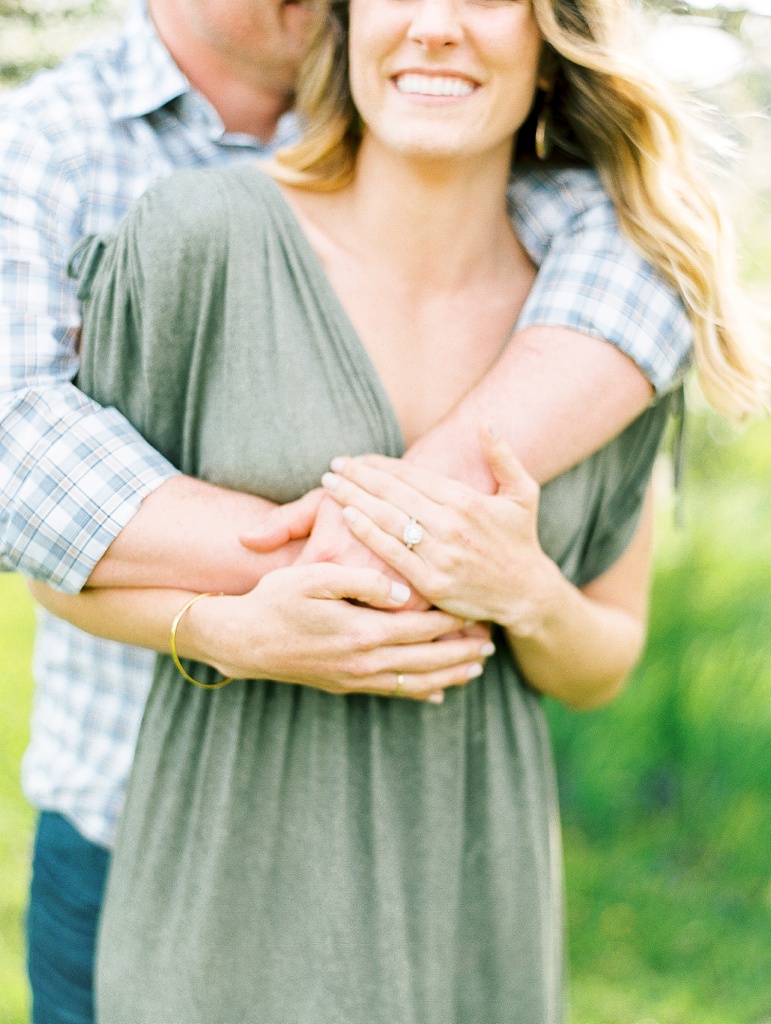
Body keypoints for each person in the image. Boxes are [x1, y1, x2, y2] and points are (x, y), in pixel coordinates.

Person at [27, 0, 766, 1018]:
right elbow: (65, 576)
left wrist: (528, 593)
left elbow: (603, 653)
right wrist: (222, 628)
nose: (433, 24)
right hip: (222, 881)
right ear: (346, 28)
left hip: (476, 890)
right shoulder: (200, 237)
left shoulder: (607, 318)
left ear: (554, 47)